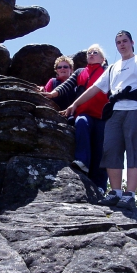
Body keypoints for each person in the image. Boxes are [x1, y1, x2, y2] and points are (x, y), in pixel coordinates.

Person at [63, 31, 137, 210]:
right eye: (118, 42)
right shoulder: (113, 68)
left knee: (134, 149)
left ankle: (129, 194)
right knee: (110, 150)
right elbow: (94, 88)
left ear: (132, 42)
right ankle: (116, 192)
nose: (121, 45)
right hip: (115, 111)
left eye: (124, 41)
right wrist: (75, 104)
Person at [46, 45, 109, 193]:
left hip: (102, 116)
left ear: (102, 59)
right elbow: (67, 84)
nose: (91, 54)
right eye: (89, 53)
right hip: (84, 113)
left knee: (100, 149)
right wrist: (53, 94)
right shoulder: (80, 72)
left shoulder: (107, 72)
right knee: (81, 122)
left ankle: (100, 186)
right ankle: (82, 162)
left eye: (95, 52)